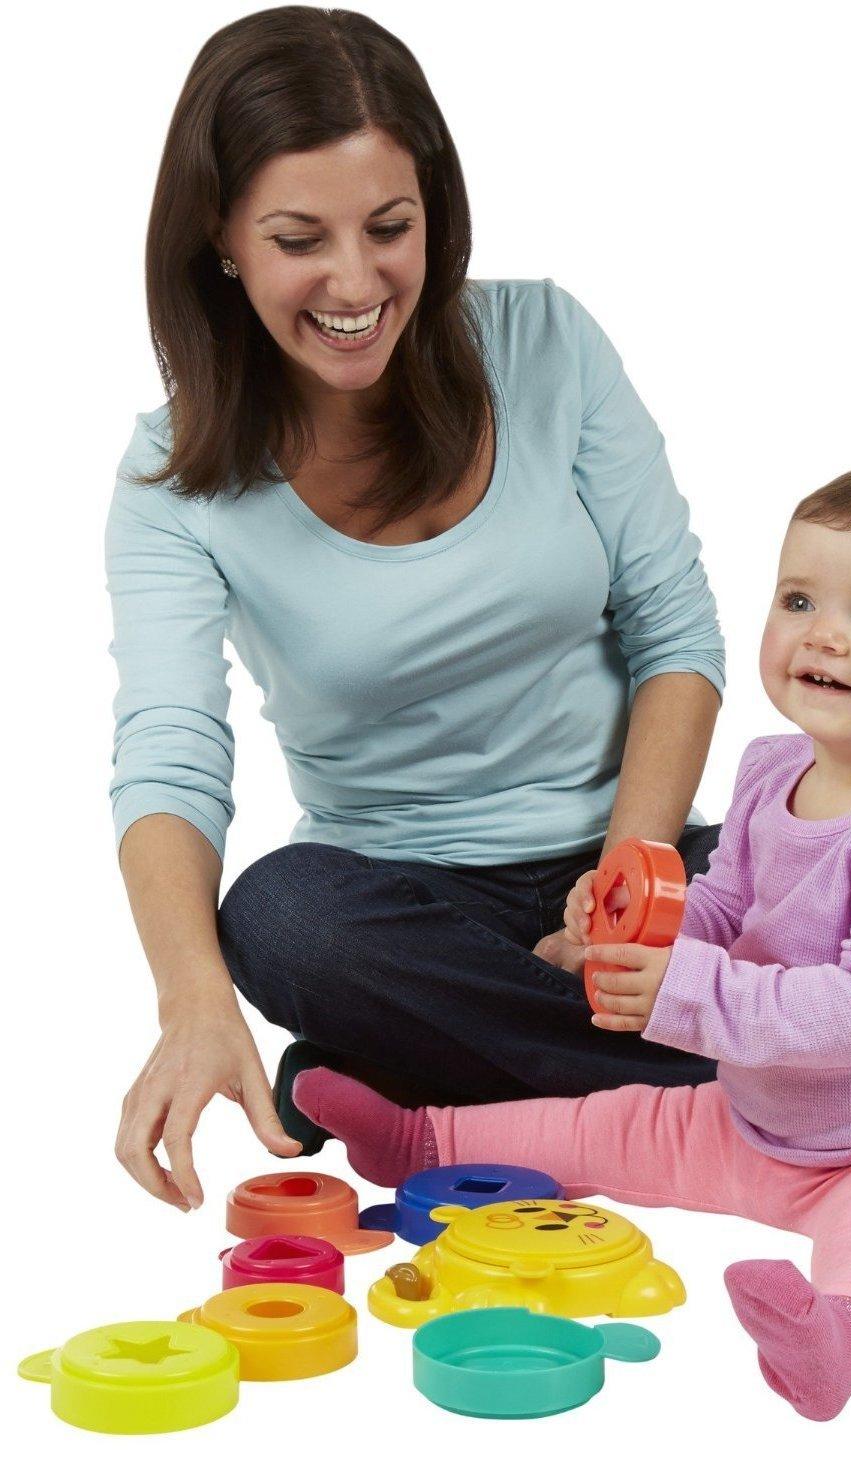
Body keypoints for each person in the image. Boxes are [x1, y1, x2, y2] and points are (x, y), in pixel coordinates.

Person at [107, 6, 725, 1214]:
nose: (356, 283)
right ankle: (784, 1084)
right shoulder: (174, 479)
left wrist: (624, 896)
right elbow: (170, 754)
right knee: (282, 922)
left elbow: (676, 632)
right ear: (221, 237)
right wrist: (193, 1002)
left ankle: (412, 1079)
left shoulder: (547, 342)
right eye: (299, 239)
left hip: (637, 856)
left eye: (390, 228)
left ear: (434, 215)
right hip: (408, 905)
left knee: (821, 866)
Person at [293, 461, 851, 1420]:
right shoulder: (774, 771)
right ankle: (421, 1139)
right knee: (602, 1123)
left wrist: (686, 990)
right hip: (755, 1120)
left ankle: (842, 1337)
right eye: (799, 599)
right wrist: (638, 932)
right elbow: (725, 908)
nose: (822, 634)